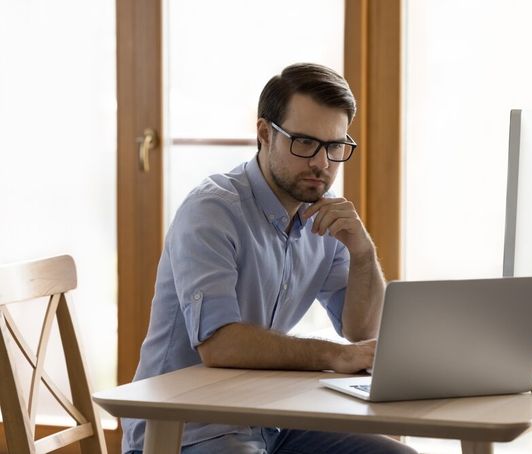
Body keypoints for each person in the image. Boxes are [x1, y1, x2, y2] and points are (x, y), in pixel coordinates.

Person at [122, 63, 416, 454]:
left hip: (271, 424)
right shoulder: (212, 211)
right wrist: (336, 356)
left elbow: (362, 330)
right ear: (264, 134)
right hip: (184, 430)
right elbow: (220, 344)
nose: (322, 164)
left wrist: (363, 252)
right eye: (305, 143)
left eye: (334, 146)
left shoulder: (323, 219)